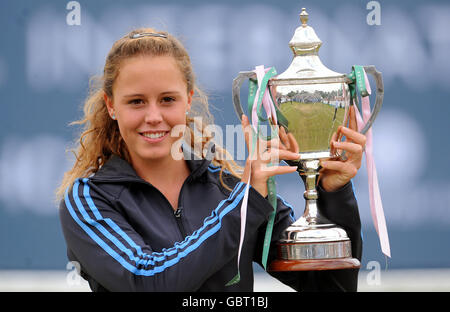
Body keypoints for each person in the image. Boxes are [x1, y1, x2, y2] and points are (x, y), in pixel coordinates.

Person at [56, 28, 365, 292]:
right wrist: (244, 205)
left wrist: (333, 194)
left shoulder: (230, 190)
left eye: (167, 99)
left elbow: (332, 286)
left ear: (188, 99)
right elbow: (147, 281)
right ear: (111, 105)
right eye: (136, 101)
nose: (153, 117)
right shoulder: (88, 199)